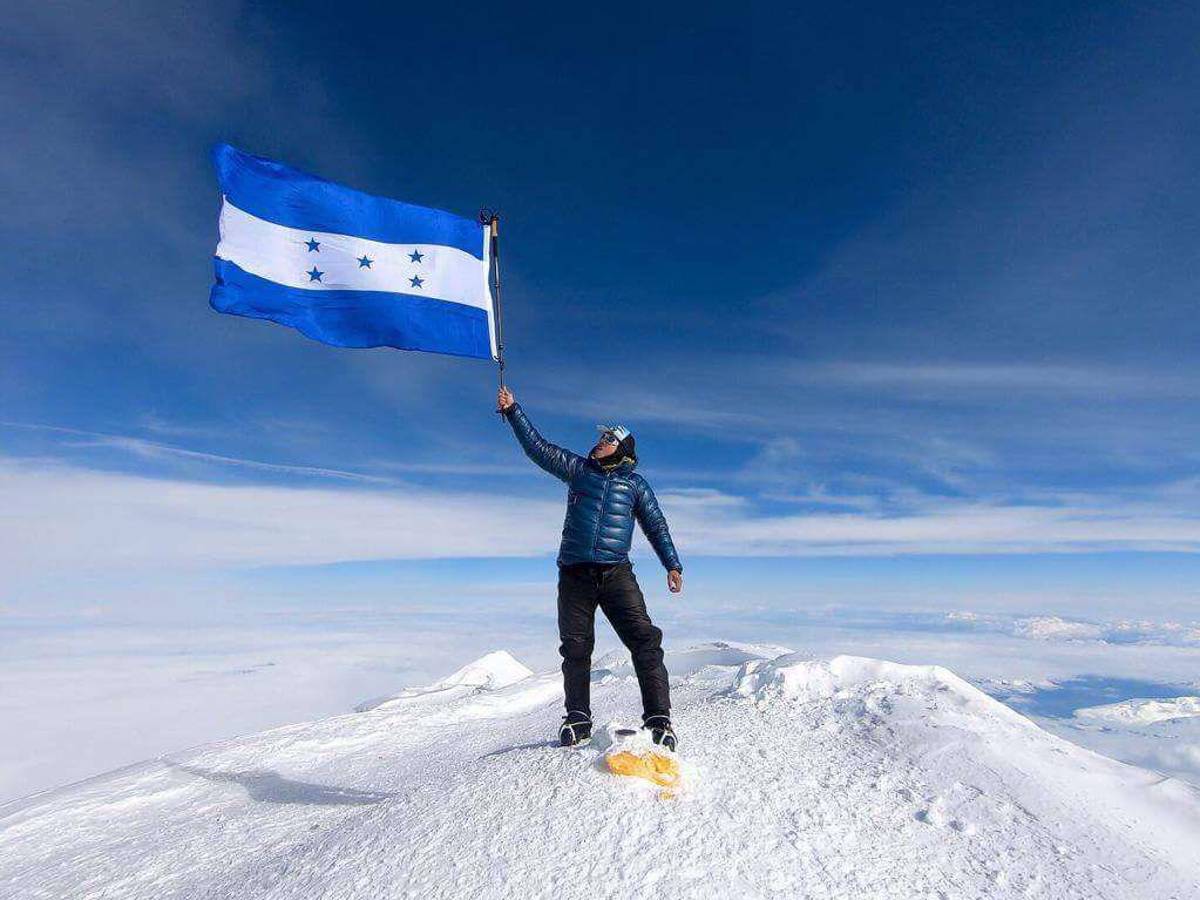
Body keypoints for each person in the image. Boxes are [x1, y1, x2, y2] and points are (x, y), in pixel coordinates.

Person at [497, 386, 683, 750]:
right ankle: (577, 719)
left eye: (607, 438)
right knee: (576, 648)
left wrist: (671, 564)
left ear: (623, 448)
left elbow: (656, 525)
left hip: (616, 573)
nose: (598, 441)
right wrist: (514, 410)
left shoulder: (635, 485)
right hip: (575, 574)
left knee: (645, 642)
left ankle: (659, 720)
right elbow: (539, 448)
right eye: (599, 437)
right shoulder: (579, 470)